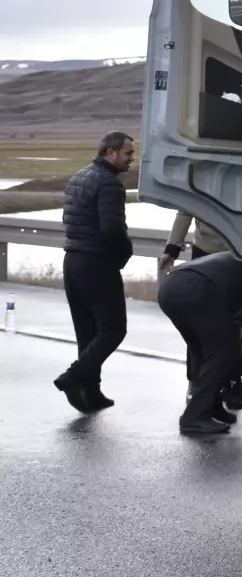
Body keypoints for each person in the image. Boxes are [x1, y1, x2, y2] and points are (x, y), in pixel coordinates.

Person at [55, 131, 135, 413]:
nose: (131, 160)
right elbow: (112, 229)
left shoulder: (78, 176)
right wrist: (125, 253)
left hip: (72, 260)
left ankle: (91, 391)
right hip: (96, 262)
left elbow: (70, 219)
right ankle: (73, 378)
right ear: (110, 153)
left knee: (87, 332)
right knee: (113, 329)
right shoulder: (110, 184)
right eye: (127, 154)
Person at [156, 252, 242, 435]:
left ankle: (211, 406)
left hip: (169, 289)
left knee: (200, 349)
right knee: (223, 351)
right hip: (195, 289)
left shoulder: (238, 257)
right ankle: (194, 417)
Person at [159, 211, 242, 407]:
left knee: (233, 324)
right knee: (201, 328)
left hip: (241, 249)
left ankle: (232, 385)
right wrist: (172, 248)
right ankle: (195, 385)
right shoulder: (203, 178)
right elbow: (186, 208)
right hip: (207, 251)